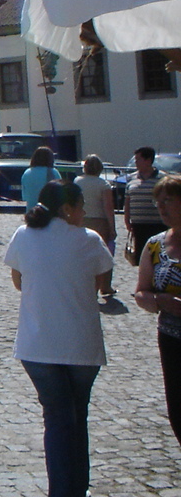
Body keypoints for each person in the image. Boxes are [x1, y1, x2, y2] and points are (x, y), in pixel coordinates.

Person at [3, 180, 113, 497]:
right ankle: (74, 489)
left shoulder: (24, 235)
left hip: (38, 344)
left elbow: (18, 282)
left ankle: (65, 490)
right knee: (77, 417)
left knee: (58, 419)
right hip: (81, 345)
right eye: (81, 206)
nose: (84, 212)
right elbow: (99, 282)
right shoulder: (90, 240)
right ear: (67, 209)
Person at [133, 173, 181, 446]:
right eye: (158, 202)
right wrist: (160, 302)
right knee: (178, 409)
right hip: (171, 338)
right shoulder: (154, 245)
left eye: (169, 201)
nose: (161, 208)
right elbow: (141, 291)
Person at [74, 155, 117, 297]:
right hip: (99, 222)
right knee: (103, 255)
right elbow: (108, 208)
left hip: (82, 220)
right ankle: (105, 285)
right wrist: (112, 227)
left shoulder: (77, 182)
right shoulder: (103, 184)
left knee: (83, 255)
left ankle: (84, 285)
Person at [126, 146, 166, 267]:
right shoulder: (131, 178)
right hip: (138, 225)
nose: (136, 162)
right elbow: (128, 200)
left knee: (159, 256)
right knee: (141, 258)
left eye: (138, 159)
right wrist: (127, 220)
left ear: (148, 160)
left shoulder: (162, 178)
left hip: (157, 224)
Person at [21, 146, 60, 211]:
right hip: (48, 210)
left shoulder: (27, 172)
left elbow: (24, 196)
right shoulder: (53, 172)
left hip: (31, 210)